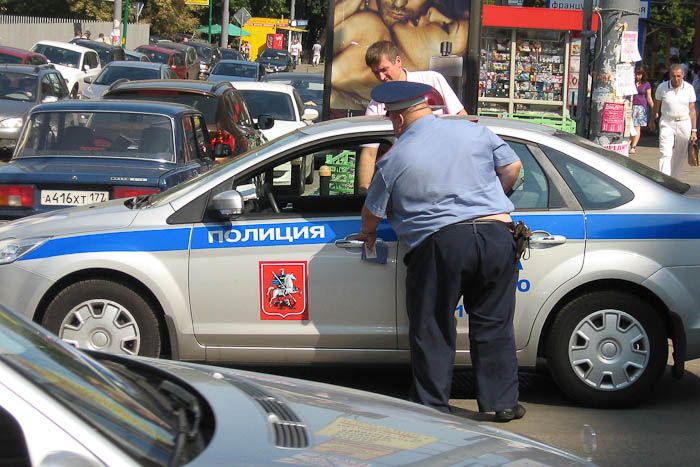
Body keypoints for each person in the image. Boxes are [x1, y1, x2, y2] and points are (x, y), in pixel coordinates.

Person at [358, 80, 524, 420]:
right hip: (496, 235)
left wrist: (368, 233)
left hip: (440, 243)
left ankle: (432, 406)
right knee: (494, 322)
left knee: (432, 325)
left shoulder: (395, 158)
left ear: (399, 119)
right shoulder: (474, 131)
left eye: (391, 120)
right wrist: (489, 201)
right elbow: (512, 168)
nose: (393, 127)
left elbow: (372, 212)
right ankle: (502, 403)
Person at [357, 40, 467, 191]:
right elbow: (369, 153)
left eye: (384, 69)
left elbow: (462, 120)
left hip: (443, 173)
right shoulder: (377, 102)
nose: (381, 77)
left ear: (398, 61)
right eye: (376, 72)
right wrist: (364, 190)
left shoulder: (431, 81)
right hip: (405, 180)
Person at [331, 0, 468, 110]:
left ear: (446, 58)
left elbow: (461, 117)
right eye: (377, 72)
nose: (431, 12)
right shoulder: (371, 28)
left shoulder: (433, 81)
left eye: (446, 27)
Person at [652, 63, 698, 178]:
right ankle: (664, 180)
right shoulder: (662, 87)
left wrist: (694, 130)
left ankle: (675, 179)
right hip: (667, 122)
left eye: (678, 76)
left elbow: (692, 110)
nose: (676, 79)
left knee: (680, 153)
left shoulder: (689, 88)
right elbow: (656, 105)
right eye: (673, 76)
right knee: (665, 152)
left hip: (684, 122)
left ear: (683, 75)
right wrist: (652, 119)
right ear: (670, 75)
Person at [630, 65, 654, 155]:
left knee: (637, 127)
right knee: (629, 126)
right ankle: (629, 143)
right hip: (630, 106)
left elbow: (649, 97)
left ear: (643, 75)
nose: (637, 76)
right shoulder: (631, 82)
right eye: (636, 74)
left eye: (639, 74)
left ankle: (633, 146)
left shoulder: (646, 84)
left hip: (640, 107)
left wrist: (654, 109)